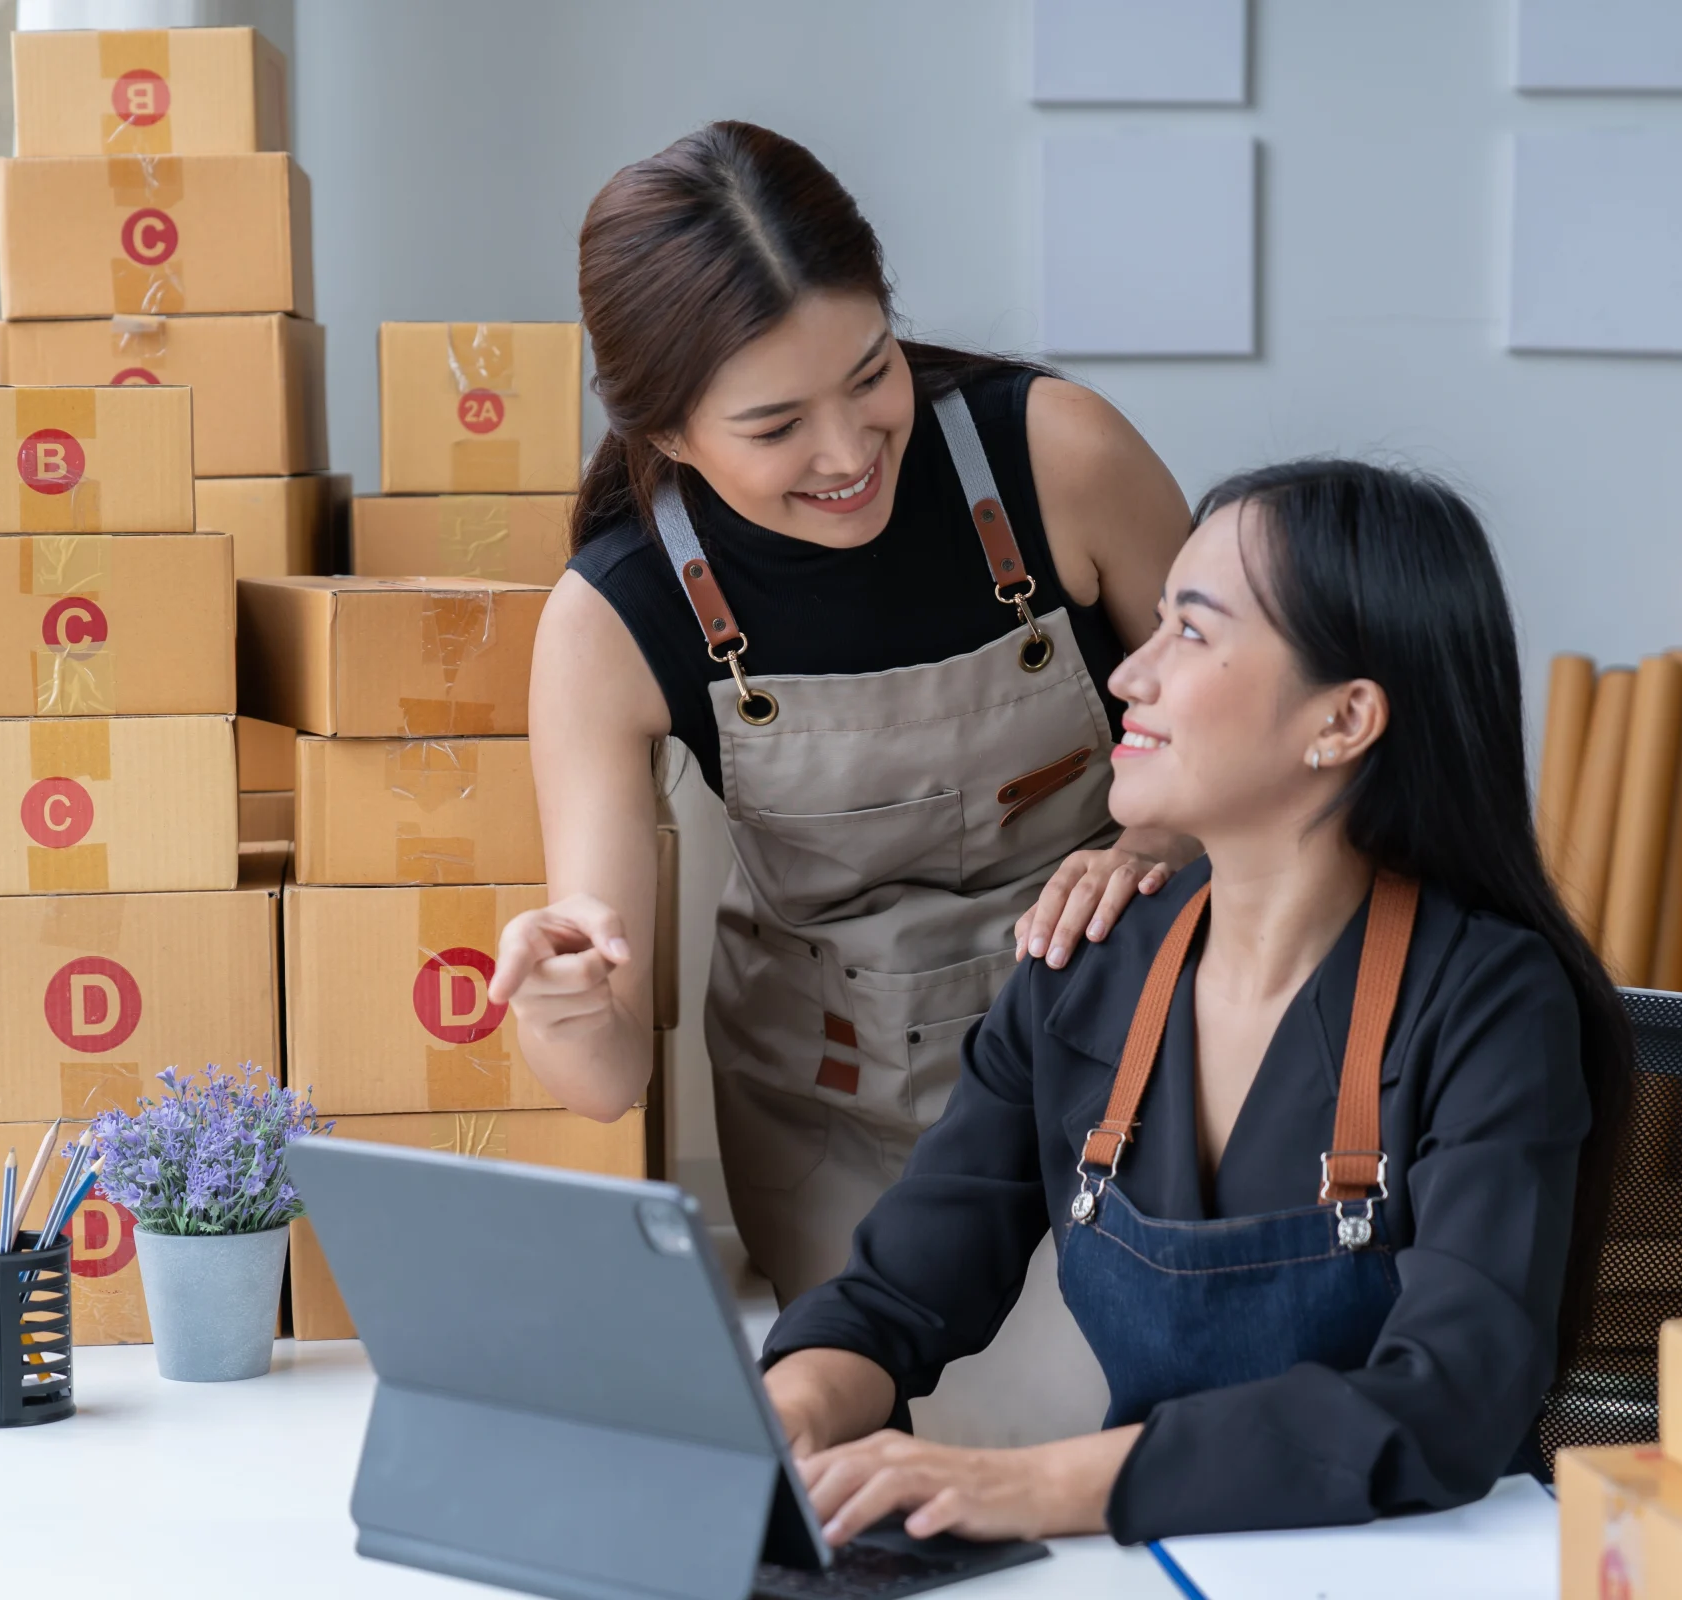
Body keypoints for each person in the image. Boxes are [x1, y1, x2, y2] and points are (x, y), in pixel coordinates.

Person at [756, 459, 1635, 1544]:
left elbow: (1454, 1396)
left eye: (1193, 631)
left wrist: (1033, 1485)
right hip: (1164, 1560)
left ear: (1345, 718)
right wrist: (788, 1409)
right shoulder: (1083, 966)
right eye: (1156, 621)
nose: (1131, 674)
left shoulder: (1490, 1001)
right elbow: (894, 1299)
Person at [485, 122, 1197, 1303]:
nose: (849, 449)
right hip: (848, 1130)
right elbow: (605, 1077)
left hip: (1132, 1072)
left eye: (872, 371)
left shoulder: (1060, 458)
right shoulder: (610, 621)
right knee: (926, 1406)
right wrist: (562, 1005)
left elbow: (1271, 757)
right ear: (662, 431)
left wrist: (1158, 843)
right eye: (774, 428)